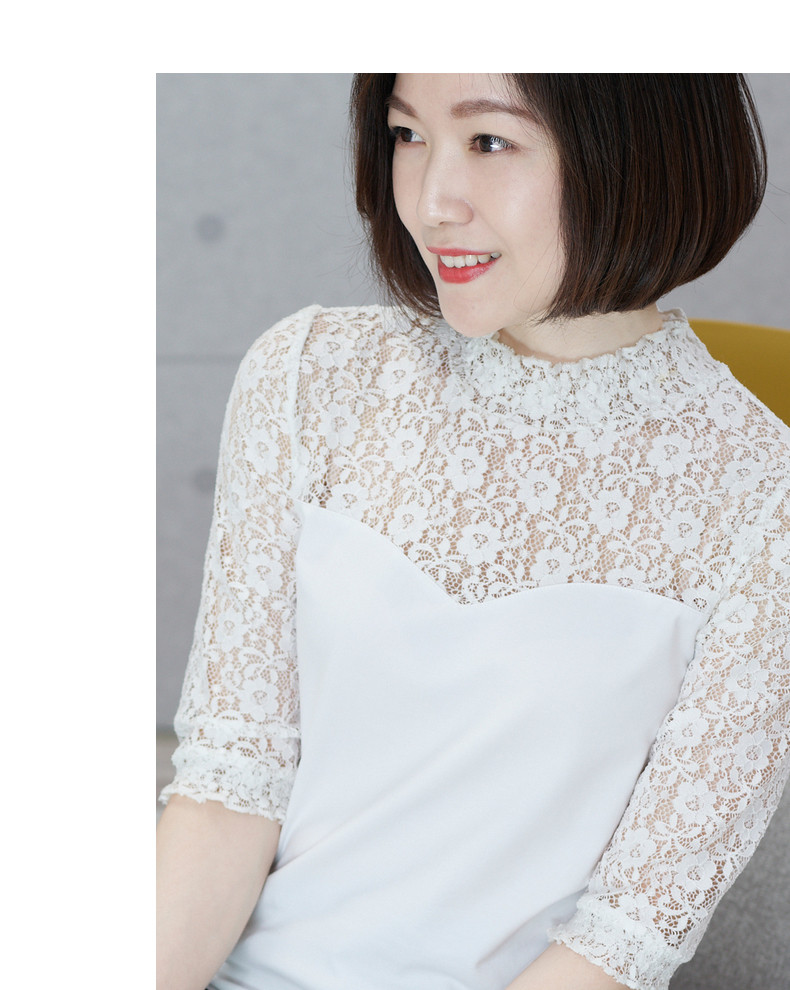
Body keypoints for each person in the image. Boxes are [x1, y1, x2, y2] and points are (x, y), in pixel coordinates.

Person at [156, 74, 789, 990]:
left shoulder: (763, 499)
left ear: (636, 150)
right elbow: (227, 796)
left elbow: (623, 943)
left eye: (490, 142)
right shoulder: (310, 375)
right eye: (407, 135)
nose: (431, 202)